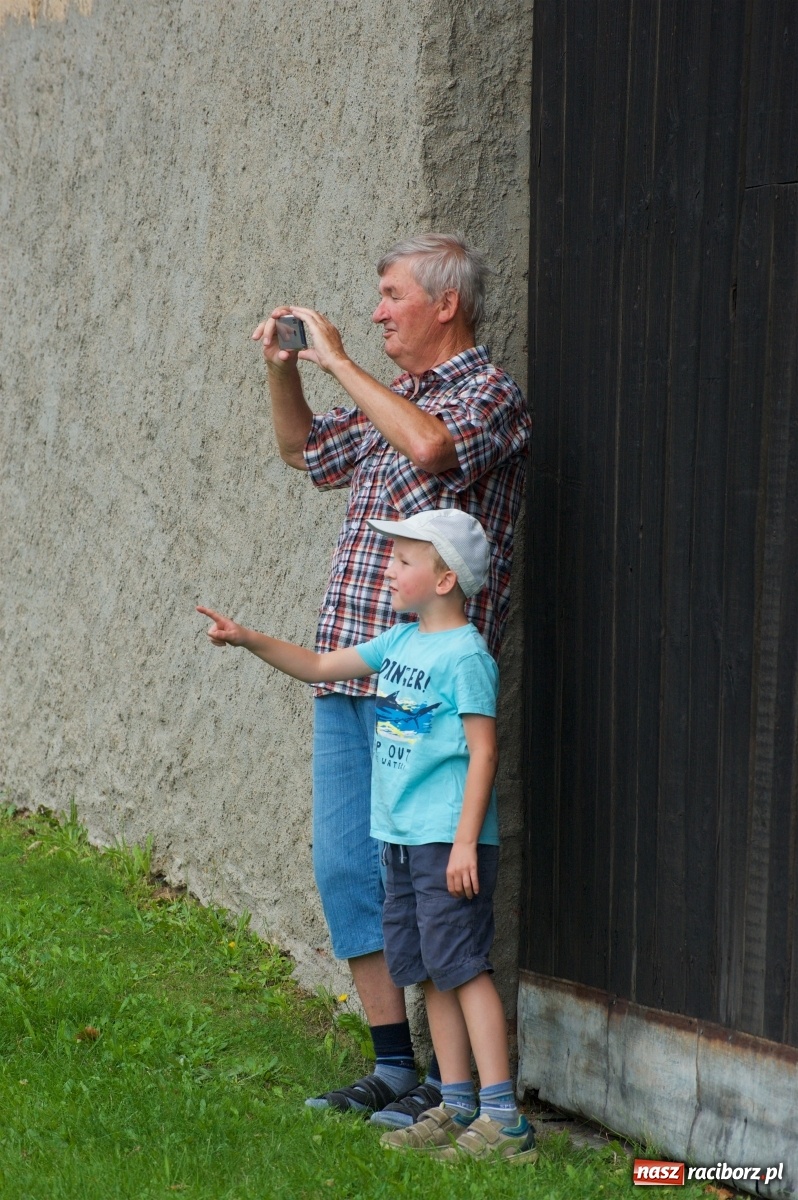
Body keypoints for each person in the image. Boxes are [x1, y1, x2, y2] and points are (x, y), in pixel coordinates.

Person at [251, 232, 532, 1126]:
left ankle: (465, 1095)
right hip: (349, 670)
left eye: (390, 296)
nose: (375, 315)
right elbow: (306, 455)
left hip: (428, 692)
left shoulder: (491, 397)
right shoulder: (392, 393)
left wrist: (336, 361)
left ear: (445, 304)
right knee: (346, 869)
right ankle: (393, 1068)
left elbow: (431, 450)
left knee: (418, 883)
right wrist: (286, 370)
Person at [197, 508, 537, 1162]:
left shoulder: (466, 655)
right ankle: (455, 1102)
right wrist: (248, 638)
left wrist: (466, 842)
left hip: (446, 843)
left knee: (464, 969)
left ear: (444, 580)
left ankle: (503, 1119)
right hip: (402, 841)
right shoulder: (400, 644)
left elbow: (484, 753)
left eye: (403, 561)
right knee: (430, 973)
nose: (389, 569)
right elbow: (322, 666)